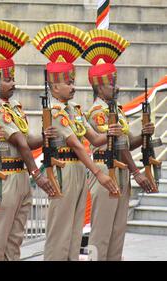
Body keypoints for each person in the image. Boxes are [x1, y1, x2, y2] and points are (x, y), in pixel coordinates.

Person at [0, 19, 58, 261]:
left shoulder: (14, 108)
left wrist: (43, 137)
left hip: (18, 176)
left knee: (14, 240)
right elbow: (19, 141)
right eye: (8, 79)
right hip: (4, 178)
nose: (14, 82)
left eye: (13, 77)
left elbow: (28, 140)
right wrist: (37, 174)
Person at [32, 24, 120, 261]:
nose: (73, 86)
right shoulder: (56, 111)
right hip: (65, 170)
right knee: (60, 232)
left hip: (79, 169)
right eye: (68, 82)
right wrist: (98, 173)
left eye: (73, 81)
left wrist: (112, 132)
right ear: (53, 86)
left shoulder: (76, 110)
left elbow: (94, 138)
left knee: (73, 231)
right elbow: (77, 144)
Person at [82, 29, 156, 261]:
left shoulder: (116, 111)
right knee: (101, 234)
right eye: (112, 83)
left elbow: (126, 145)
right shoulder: (97, 112)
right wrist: (136, 171)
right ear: (99, 86)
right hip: (106, 171)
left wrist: (144, 135)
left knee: (116, 234)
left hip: (120, 171)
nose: (117, 87)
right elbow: (117, 145)